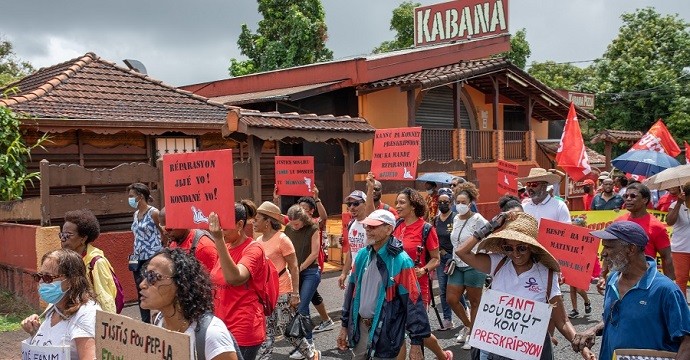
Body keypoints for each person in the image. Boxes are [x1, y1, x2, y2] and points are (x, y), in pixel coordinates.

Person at [456, 212, 582, 360]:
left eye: (521, 248)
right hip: (494, 350)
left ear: (532, 248)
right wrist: (491, 226)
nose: (515, 254)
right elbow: (461, 252)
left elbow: (562, 321)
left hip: (528, 351)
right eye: (509, 248)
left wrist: (580, 344)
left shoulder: (546, 274)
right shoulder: (498, 263)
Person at [572, 221, 690, 360]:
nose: (603, 253)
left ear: (631, 249)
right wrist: (594, 330)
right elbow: (617, 318)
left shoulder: (666, 290)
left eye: (608, 247)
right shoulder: (612, 280)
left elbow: (687, 342)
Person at [337, 210, 431, 360]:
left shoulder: (401, 261)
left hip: (386, 331)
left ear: (389, 229)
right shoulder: (362, 255)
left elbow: (413, 304)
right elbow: (351, 293)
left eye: (373, 227)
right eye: (367, 226)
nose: (367, 229)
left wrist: (416, 343)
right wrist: (344, 326)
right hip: (360, 329)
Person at [141, 248, 240, 360]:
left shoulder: (211, 335)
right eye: (145, 275)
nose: (142, 284)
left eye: (153, 277)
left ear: (180, 284)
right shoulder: (159, 321)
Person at [393, 187, 452, 360]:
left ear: (413, 206)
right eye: (397, 202)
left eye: (402, 202)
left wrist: (424, 270)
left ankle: (442, 355)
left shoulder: (426, 229)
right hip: (396, 286)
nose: (397, 206)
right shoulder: (396, 225)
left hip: (418, 288)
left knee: (419, 333)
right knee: (399, 331)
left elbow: (436, 259)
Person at [208, 201, 266, 360]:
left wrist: (218, 240)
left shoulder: (253, 249)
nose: (219, 231)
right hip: (222, 327)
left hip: (243, 329)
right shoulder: (226, 247)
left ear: (240, 224)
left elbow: (234, 278)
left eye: (223, 228)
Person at [21, 249, 100, 360]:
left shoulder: (86, 314)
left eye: (48, 278)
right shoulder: (53, 307)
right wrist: (35, 332)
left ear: (71, 280)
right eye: (39, 277)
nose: (41, 282)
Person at [253, 201, 301, 360]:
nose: (254, 221)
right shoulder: (258, 241)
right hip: (266, 294)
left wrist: (295, 294)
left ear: (267, 222)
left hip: (283, 290)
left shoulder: (282, 239)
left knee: (287, 330)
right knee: (267, 331)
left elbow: (294, 267)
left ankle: (310, 353)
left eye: (258, 218)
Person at [448, 182, 488, 349]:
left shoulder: (478, 219)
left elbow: (488, 236)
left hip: (473, 265)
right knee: (452, 299)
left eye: (464, 202)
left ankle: (473, 335)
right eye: (458, 202)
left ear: (471, 203)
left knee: (474, 302)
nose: (460, 205)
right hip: (456, 264)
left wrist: (482, 255)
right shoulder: (455, 218)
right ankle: (469, 325)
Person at [283, 204, 323, 360]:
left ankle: (309, 345)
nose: (294, 226)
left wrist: (300, 267)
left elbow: (314, 253)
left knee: (303, 306)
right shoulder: (288, 228)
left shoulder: (312, 228)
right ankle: (304, 345)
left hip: (310, 271)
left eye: (297, 224)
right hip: (294, 271)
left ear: (303, 219)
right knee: (296, 308)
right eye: (292, 224)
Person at [60, 209, 118, 313]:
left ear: (83, 238)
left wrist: (104, 326)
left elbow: (106, 303)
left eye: (68, 234)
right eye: (62, 234)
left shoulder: (96, 263)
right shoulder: (67, 259)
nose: (63, 239)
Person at [613, 183, 675, 280]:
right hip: (619, 277)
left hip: (644, 279)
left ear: (645, 200)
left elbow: (667, 256)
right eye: (626, 196)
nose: (628, 199)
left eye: (633, 196)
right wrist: (603, 275)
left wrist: (669, 283)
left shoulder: (656, 227)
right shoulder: (618, 222)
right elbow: (610, 249)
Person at [127, 182, 162, 323]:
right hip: (137, 257)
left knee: (152, 289)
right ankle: (145, 321)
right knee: (139, 289)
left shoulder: (154, 213)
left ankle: (157, 321)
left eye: (131, 196)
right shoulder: (136, 214)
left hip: (151, 257)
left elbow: (163, 232)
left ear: (140, 197)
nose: (129, 199)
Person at [159, 207, 218, 272]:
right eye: (162, 228)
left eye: (168, 229)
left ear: (183, 223)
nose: (165, 233)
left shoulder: (203, 248)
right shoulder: (174, 241)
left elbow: (211, 280)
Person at [432, 187, 457, 331]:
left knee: (454, 289)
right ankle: (448, 320)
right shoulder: (435, 220)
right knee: (442, 289)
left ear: (451, 202)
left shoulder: (455, 218)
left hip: (453, 258)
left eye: (445, 202)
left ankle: (465, 312)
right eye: (440, 202)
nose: (442, 204)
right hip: (441, 259)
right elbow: (433, 238)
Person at [339, 189, 374, 289]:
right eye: (349, 204)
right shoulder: (351, 224)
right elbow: (351, 251)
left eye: (356, 203)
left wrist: (370, 188)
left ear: (365, 204)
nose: (352, 207)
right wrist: (344, 273)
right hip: (354, 273)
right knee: (350, 304)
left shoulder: (371, 224)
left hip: (370, 274)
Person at [566, 216, 593, 319]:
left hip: (582, 264)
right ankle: (575, 309)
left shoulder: (588, 237)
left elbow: (590, 252)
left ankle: (587, 301)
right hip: (572, 263)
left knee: (579, 289)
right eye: (573, 227)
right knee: (572, 288)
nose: (575, 229)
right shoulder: (570, 236)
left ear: (583, 227)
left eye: (577, 227)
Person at [667, 182, 690, 297]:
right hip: (680, 248)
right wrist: (679, 203)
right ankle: (682, 306)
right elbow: (669, 221)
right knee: (681, 278)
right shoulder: (675, 205)